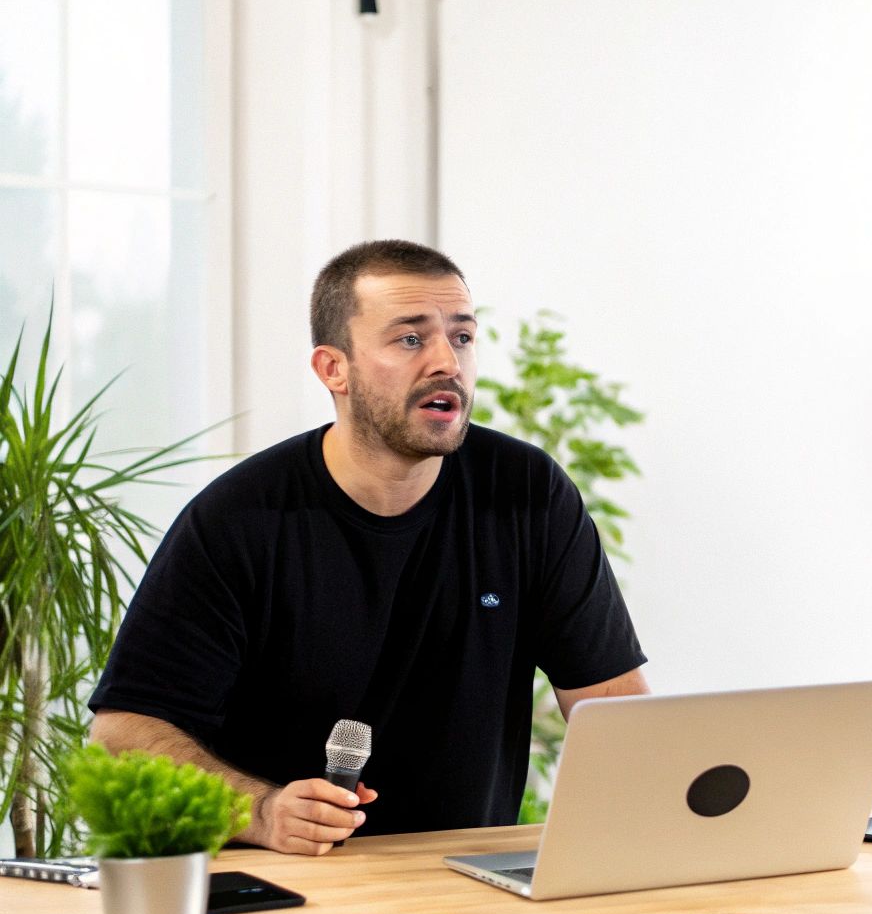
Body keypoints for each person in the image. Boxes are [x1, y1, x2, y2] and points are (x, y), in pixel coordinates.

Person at [89, 240, 649, 855]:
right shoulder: (238, 519)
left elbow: (615, 717)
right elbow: (120, 737)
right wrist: (261, 811)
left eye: (462, 338)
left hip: (465, 876)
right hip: (286, 880)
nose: (447, 363)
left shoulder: (527, 493)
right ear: (334, 368)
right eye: (411, 340)